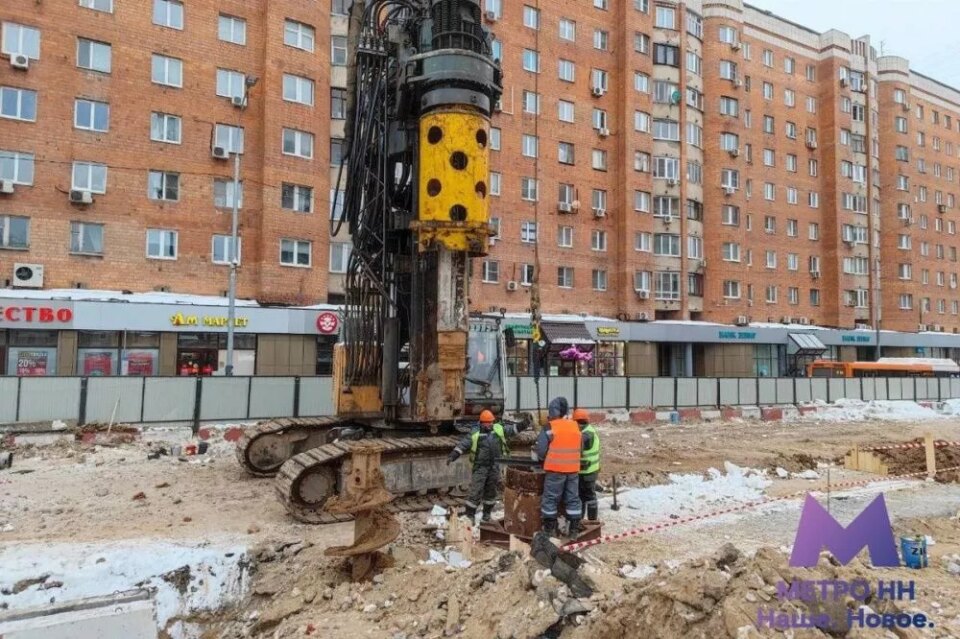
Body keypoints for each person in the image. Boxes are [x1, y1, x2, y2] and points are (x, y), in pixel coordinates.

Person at [447, 409, 513, 522]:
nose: (491, 424)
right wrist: (453, 455)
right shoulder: (475, 433)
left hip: (494, 467)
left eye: (492, 422)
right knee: (475, 491)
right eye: (489, 422)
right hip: (480, 467)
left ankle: (486, 515)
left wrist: (524, 423)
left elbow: (512, 430)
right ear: (482, 422)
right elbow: (463, 445)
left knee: (491, 491)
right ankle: (470, 516)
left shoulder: (498, 429)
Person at [535, 397, 583, 538]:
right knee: (573, 498)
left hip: (555, 470)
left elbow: (541, 450)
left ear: (552, 412)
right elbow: (580, 448)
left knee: (550, 499)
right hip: (573, 470)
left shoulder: (550, 427)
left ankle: (549, 530)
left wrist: (543, 459)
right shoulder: (575, 426)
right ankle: (573, 530)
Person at [573, 408, 600, 522]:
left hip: (587, 471)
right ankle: (584, 520)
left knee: (588, 496)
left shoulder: (586, 435)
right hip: (587, 471)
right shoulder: (588, 431)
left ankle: (591, 521)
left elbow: (576, 447)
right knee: (583, 497)